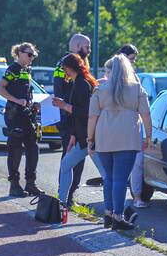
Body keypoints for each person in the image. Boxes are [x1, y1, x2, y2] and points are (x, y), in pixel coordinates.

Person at [88, 54, 152, 230]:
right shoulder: (136, 89)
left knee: (109, 177)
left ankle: (108, 214)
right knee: (120, 179)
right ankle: (118, 216)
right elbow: (146, 114)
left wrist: (90, 139)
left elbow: (92, 117)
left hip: (104, 137)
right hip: (128, 137)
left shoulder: (100, 90)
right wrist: (148, 136)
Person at [52, 53, 100, 207]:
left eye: (64, 68)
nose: (64, 72)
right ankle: (62, 203)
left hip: (89, 138)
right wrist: (73, 135)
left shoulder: (81, 84)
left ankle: (120, 211)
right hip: (83, 138)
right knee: (66, 165)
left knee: (108, 175)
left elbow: (86, 112)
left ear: (70, 67)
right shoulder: (82, 81)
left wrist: (64, 105)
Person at [0, 42, 42, 197]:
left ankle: (31, 184)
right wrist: (16, 100)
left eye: (33, 55)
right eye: (29, 54)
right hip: (15, 115)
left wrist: (33, 104)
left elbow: (25, 92)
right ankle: (14, 185)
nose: (31, 58)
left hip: (27, 114)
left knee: (33, 148)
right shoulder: (13, 69)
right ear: (19, 53)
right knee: (15, 149)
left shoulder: (27, 70)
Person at [53, 33, 91, 202]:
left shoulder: (82, 64)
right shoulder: (63, 65)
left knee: (79, 160)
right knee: (69, 159)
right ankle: (64, 195)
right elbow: (59, 92)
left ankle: (70, 194)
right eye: (87, 47)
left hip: (80, 119)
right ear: (77, 46)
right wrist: (68, 109)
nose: (89, 50)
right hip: (69, 120)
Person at [117, 44, 150, 210]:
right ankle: (117, 204)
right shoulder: (113, 77)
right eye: (131, 59)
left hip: (133, 126)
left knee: (137, 163)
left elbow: (143, 105)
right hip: (118, 127)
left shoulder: (134, 78)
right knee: (119, 166)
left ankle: (136, 197)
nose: (133, 62)